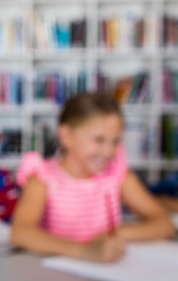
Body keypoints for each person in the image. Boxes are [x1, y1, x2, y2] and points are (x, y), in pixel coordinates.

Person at [11, 91, 175, 263]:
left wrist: (116, 233)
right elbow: (21, 233)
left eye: (115, 141)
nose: (109, 151)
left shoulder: (117, 175)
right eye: (98, 140)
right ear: (66, 136)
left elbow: (164, 224)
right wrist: (84, 250)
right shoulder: (43, 178)